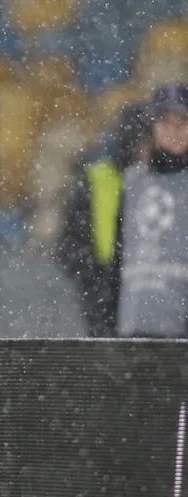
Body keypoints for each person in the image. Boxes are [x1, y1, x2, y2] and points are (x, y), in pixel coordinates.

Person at [54, 103, 153, 336]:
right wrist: (99, 285)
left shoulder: (165, 182)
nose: (146, 150)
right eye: (143, 141)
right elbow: (68, 246)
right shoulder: (95, 179)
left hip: (150, 296)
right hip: (105, 301)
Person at [114, 83, 188, 338]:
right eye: (165, 121)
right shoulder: (132, 182)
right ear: (152, 127)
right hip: (132, 328)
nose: (174, 130)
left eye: (183, 121)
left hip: (179, 334)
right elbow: (118, 256)